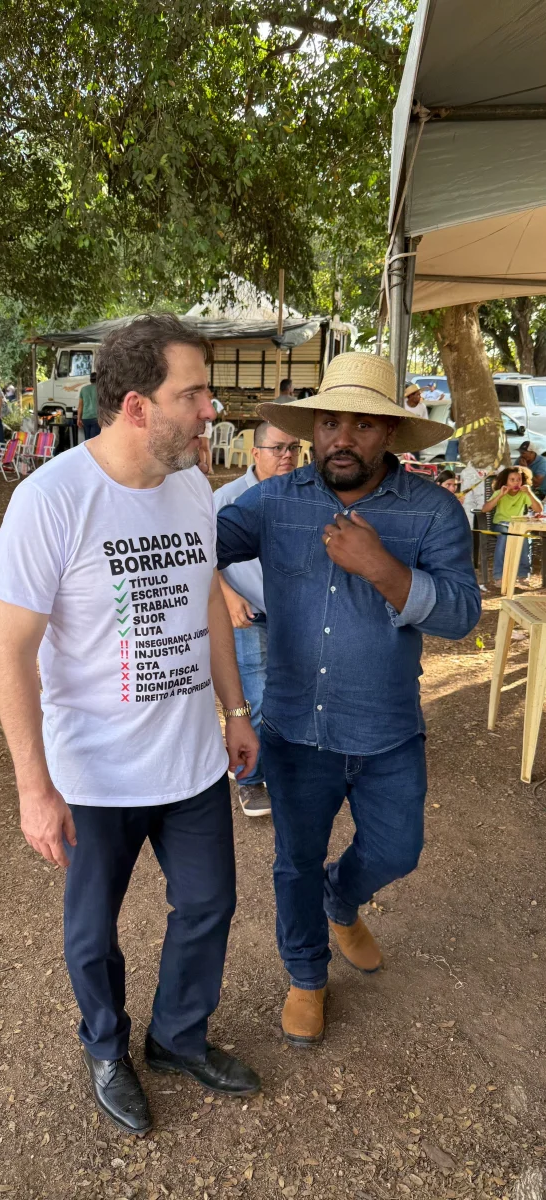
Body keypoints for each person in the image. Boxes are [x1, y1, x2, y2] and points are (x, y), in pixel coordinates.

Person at [0, 313, 261, 1136]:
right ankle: (106, 1047)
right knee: (92, 930)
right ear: (137, 406)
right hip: (94, 773)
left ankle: (176, 1037)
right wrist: (34, 788)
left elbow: (206, 599)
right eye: (195, 392)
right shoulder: (51, 500)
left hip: (189, 762)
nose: (211, 409)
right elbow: (9, 653)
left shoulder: (189, 487)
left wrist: (234, 708)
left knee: (209, 903)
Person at [217, 351, 481, 1047]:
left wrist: (385, 571)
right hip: (295, 731)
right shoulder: (275, 499)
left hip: (386, 729)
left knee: (398, 849)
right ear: (311, 430)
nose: (341, 437)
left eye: (361, 425)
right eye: (328, 422)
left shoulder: (432, 511)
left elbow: (459, 614)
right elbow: (201, 543)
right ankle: (305, 977)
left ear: (388, 435)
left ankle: (345, 896)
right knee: (293, 861)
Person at [214, 422, 301, 818]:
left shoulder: (305, 495)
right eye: (277, 448)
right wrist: (228, 596)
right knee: (256, 697)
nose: (287, 455)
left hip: (294, 614)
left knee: (292, 693)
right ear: (255, 452)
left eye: (294, 448)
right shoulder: (227, 499)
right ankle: (250, 781)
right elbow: (198, 559)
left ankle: (283, 768)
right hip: (246, 612)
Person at [481, 465, 542, 587]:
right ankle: (499, 576)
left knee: (525, 537)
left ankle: (523, 574)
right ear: (506, 481)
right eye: (512, 480)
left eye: (518, 479)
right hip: (500, 524)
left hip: (518, 526)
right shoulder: (500, 493)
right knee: (505, 536)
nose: (515, 482)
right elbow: (485, 509)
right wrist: (500, 496)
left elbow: (538, 509)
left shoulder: (524, 493)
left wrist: (529, 493)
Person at [77, 371, 100, 440]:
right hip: (96, 418)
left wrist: (78, 419)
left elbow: (80, 406)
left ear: (90, 379)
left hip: (85, 418)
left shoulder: (83, 389)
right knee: (94, 440)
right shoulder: (100, 389)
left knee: (87, 439)